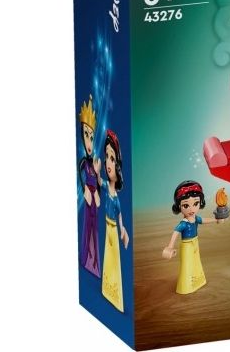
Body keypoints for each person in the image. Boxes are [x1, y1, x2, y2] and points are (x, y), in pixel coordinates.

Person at [162, 181, 226, 294]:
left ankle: (197, 281)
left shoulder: (196, 218)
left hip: (195, 243)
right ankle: (185, 287)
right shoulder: (183, 223)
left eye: (195, 203)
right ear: (179, 206)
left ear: (200, 203)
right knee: (186, 265)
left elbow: (204, 220)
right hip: (187, 246)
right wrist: (170, 246)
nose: (191, 209)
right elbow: (175, 232)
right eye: (186, 205)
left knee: (196, 262)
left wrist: (216, 220)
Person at [99, 130, 129, 312]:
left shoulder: (116, 198)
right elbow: (98, 181)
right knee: (108, 258)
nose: (109, 163)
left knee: (114, 259)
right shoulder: (105, 186)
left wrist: (122, 230)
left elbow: (119, 215)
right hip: (107, 226)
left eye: (112, 159)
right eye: (107, 157)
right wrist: (96, 172)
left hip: (113, 229)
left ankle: (115, 295)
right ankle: (107, 288)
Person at [78, 95, 101, 277]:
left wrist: (97, 190)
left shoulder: (94, 164)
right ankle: (87, 258)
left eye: (91, 137)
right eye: (86, 135)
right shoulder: (84, 163)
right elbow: (81, 175)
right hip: (88, 197)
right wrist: (85, 188)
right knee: (88, 226)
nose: (89, 141)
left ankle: (94, 262)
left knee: (95, 227)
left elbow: (98, 182)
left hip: (95, 198)